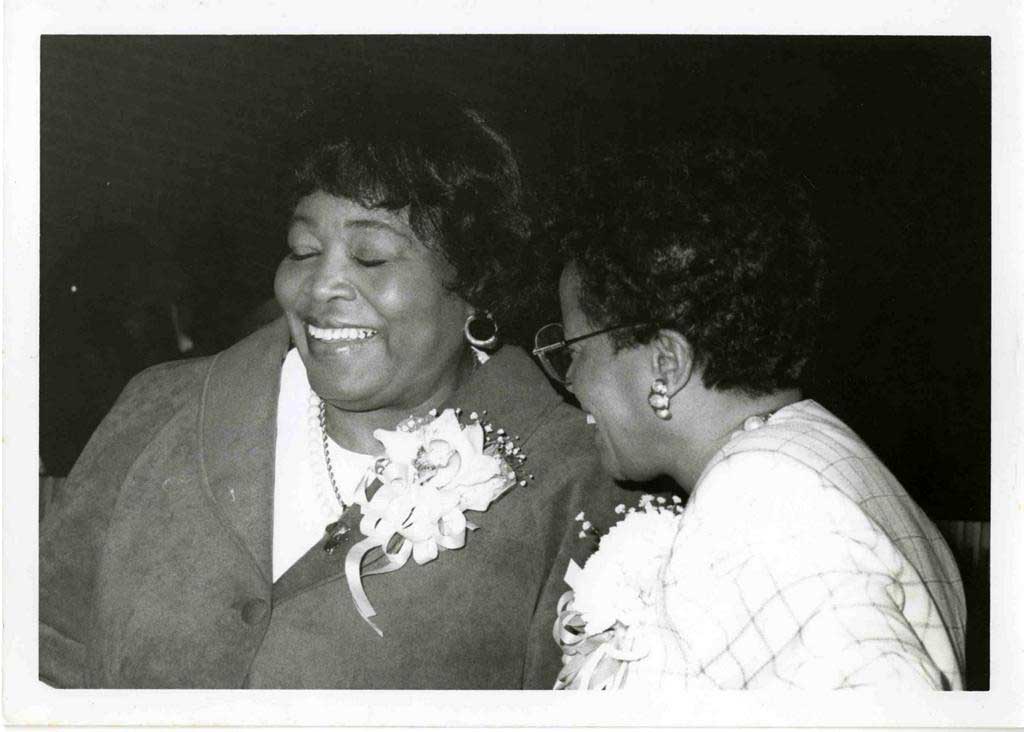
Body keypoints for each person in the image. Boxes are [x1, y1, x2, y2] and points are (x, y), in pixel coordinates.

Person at [38, 80, 628, 689]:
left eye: (370, 258)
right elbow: (45, 656)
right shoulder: (160, 409)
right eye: (302, 250)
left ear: (475, 280)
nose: (320, 289)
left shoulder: (574, 482)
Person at [537, 141, 967, 689]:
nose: (570, 380)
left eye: (576, 351)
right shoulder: (820, 448)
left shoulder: (760, 498)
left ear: (664, 364)